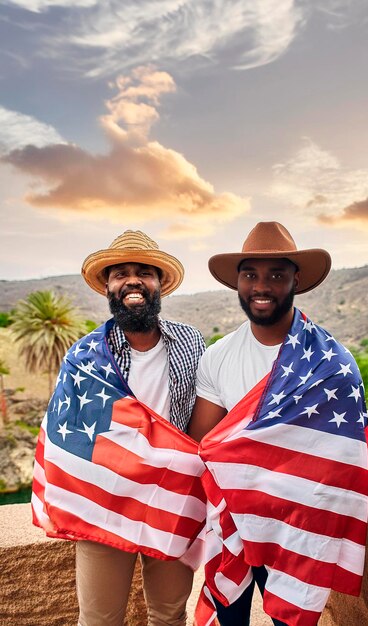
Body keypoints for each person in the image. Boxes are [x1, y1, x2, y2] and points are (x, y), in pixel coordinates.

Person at [188, 222, 368, 626]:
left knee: (289, 620)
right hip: (233, 521)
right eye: (251, 274)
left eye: (276, 274)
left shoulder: (330, 365)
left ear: (296, 279)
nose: (262, 285)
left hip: (296, 525)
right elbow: (203, 443)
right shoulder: (218, 357)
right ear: (237, 282)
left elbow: (346, 453)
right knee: (230, 618)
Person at [32, 230, 206, 626]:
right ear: (108, 287)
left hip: (170, 499)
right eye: (121, 273)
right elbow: (65, 438)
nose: (133, 280)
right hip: (104, 505)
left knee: (169, 614)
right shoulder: (87, 357)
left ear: (160, 285)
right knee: (99, 618)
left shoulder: (190, 343)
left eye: (144, 272)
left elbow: (207, 415)